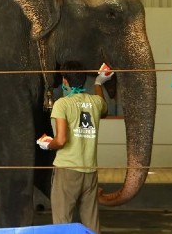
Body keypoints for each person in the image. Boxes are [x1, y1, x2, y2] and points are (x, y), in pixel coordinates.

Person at [37, 61, 111, 233]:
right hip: (90, 171)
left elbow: (61, 140)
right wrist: (99, 82)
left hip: (67, 170)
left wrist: (47, 144)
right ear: (83, 80)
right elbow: (104, 109)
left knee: (63, 223)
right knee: (91, 224)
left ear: (65, 81)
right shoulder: (95, 103)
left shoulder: (62, 104)